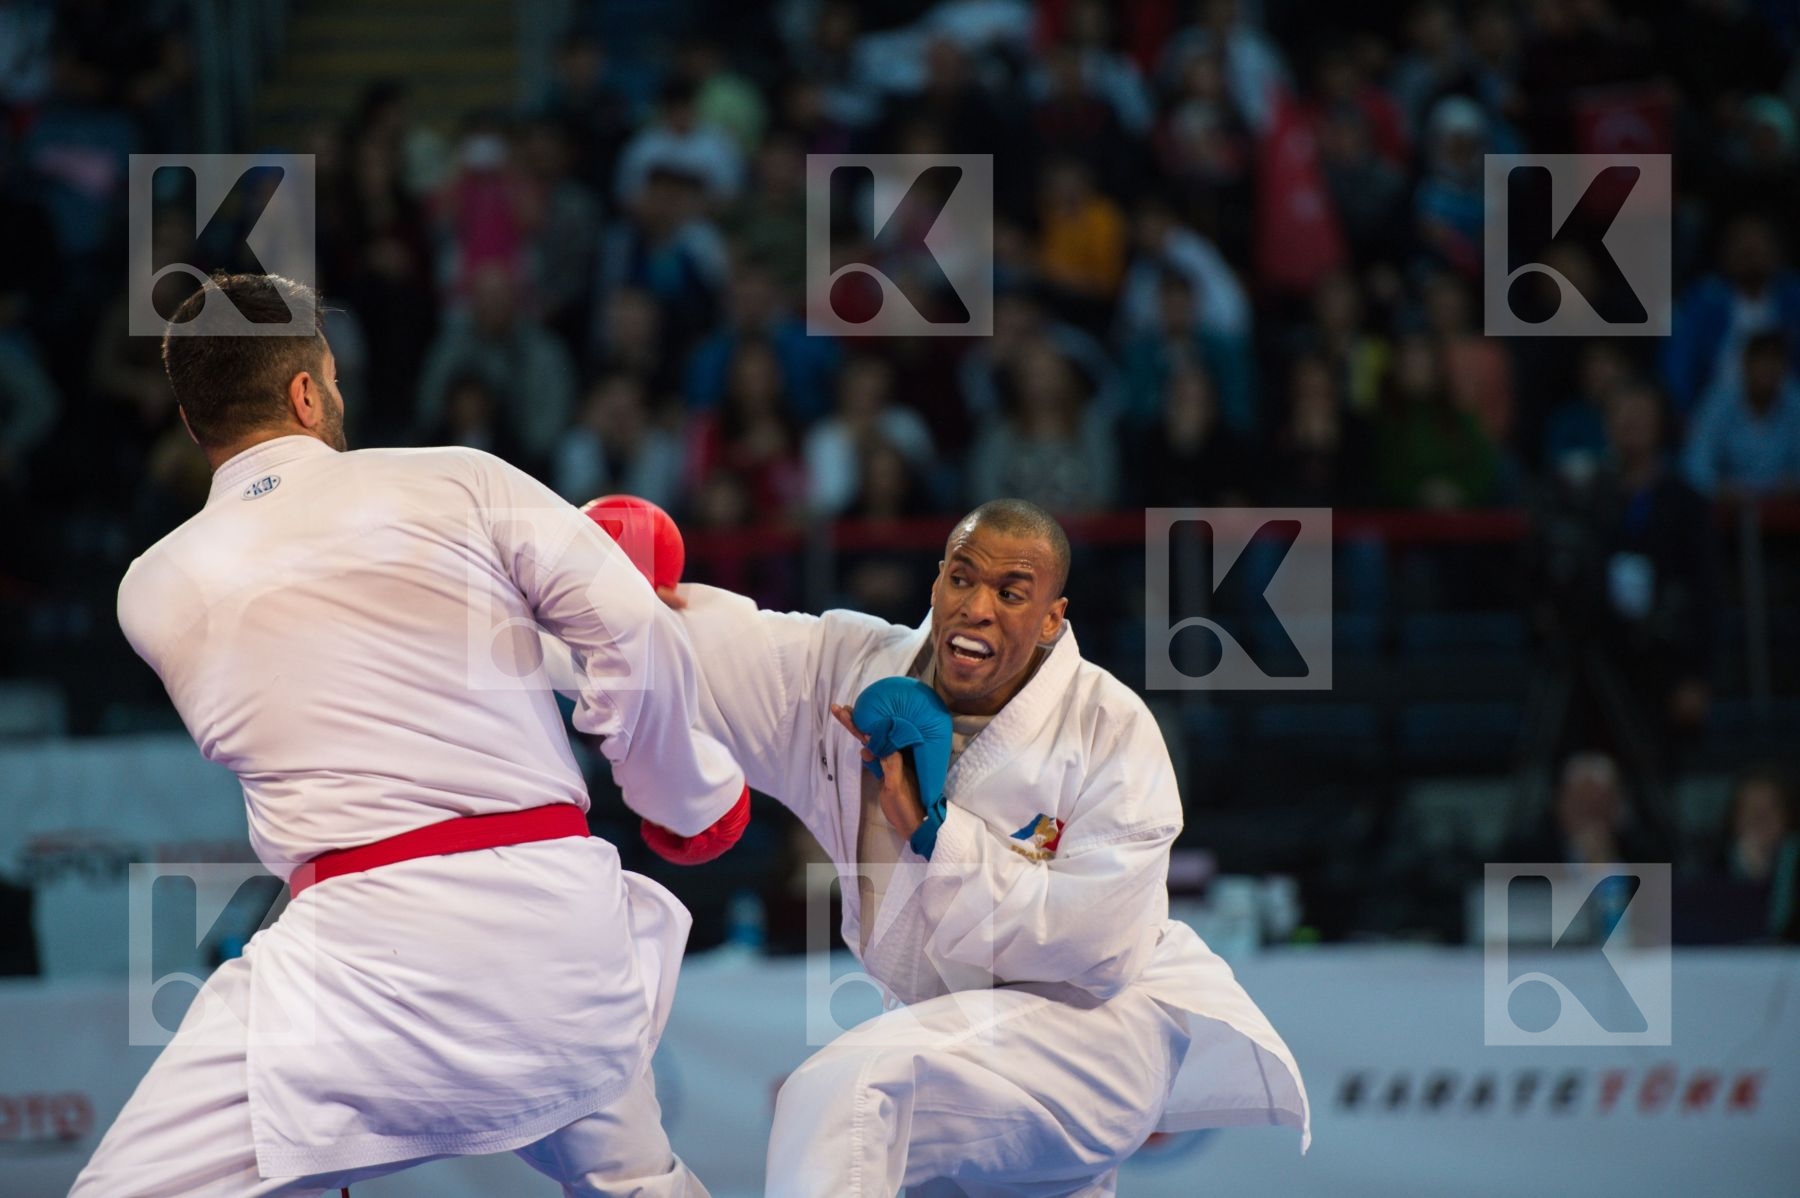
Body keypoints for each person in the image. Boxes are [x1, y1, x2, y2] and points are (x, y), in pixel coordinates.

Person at [77, 273, 747, 1196]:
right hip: (553, 942)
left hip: (351, 972)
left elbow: (347, 655)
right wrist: (688, 797)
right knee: (639, 1182)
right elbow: (630, 629)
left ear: (195, 427)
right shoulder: (460, 477)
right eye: (333, 380)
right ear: (307, 392)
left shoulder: (148, 590)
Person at [659, 498, 1309, 1196]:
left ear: (1052, 618)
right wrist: (608, 593)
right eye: (962, 579)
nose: (977, 606)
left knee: (846, 1091)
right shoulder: (853, 676)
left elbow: (1099, 942)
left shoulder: (1108, 728)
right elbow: (727, 650)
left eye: (1010, 592)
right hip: (955, 1040)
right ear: (936, 582)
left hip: (1095, 1038)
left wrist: (936, 835)